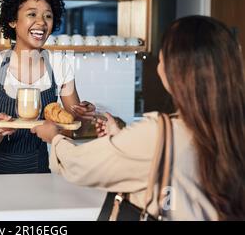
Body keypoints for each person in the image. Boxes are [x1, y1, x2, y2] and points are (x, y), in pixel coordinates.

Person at [32, 16, 245, 220]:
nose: (159, 62)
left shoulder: (157, 133)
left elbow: (81, 165)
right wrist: (123, 137)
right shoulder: (233, 127)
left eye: (163, 57)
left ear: (176, 71)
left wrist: (55, 138)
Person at [0, 0, 96, 175]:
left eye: (48, 16)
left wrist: (82, 115)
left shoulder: (59, 65)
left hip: (37, 170)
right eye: (32, 14)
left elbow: (72, 130)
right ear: (12, 21)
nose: (42, 22)